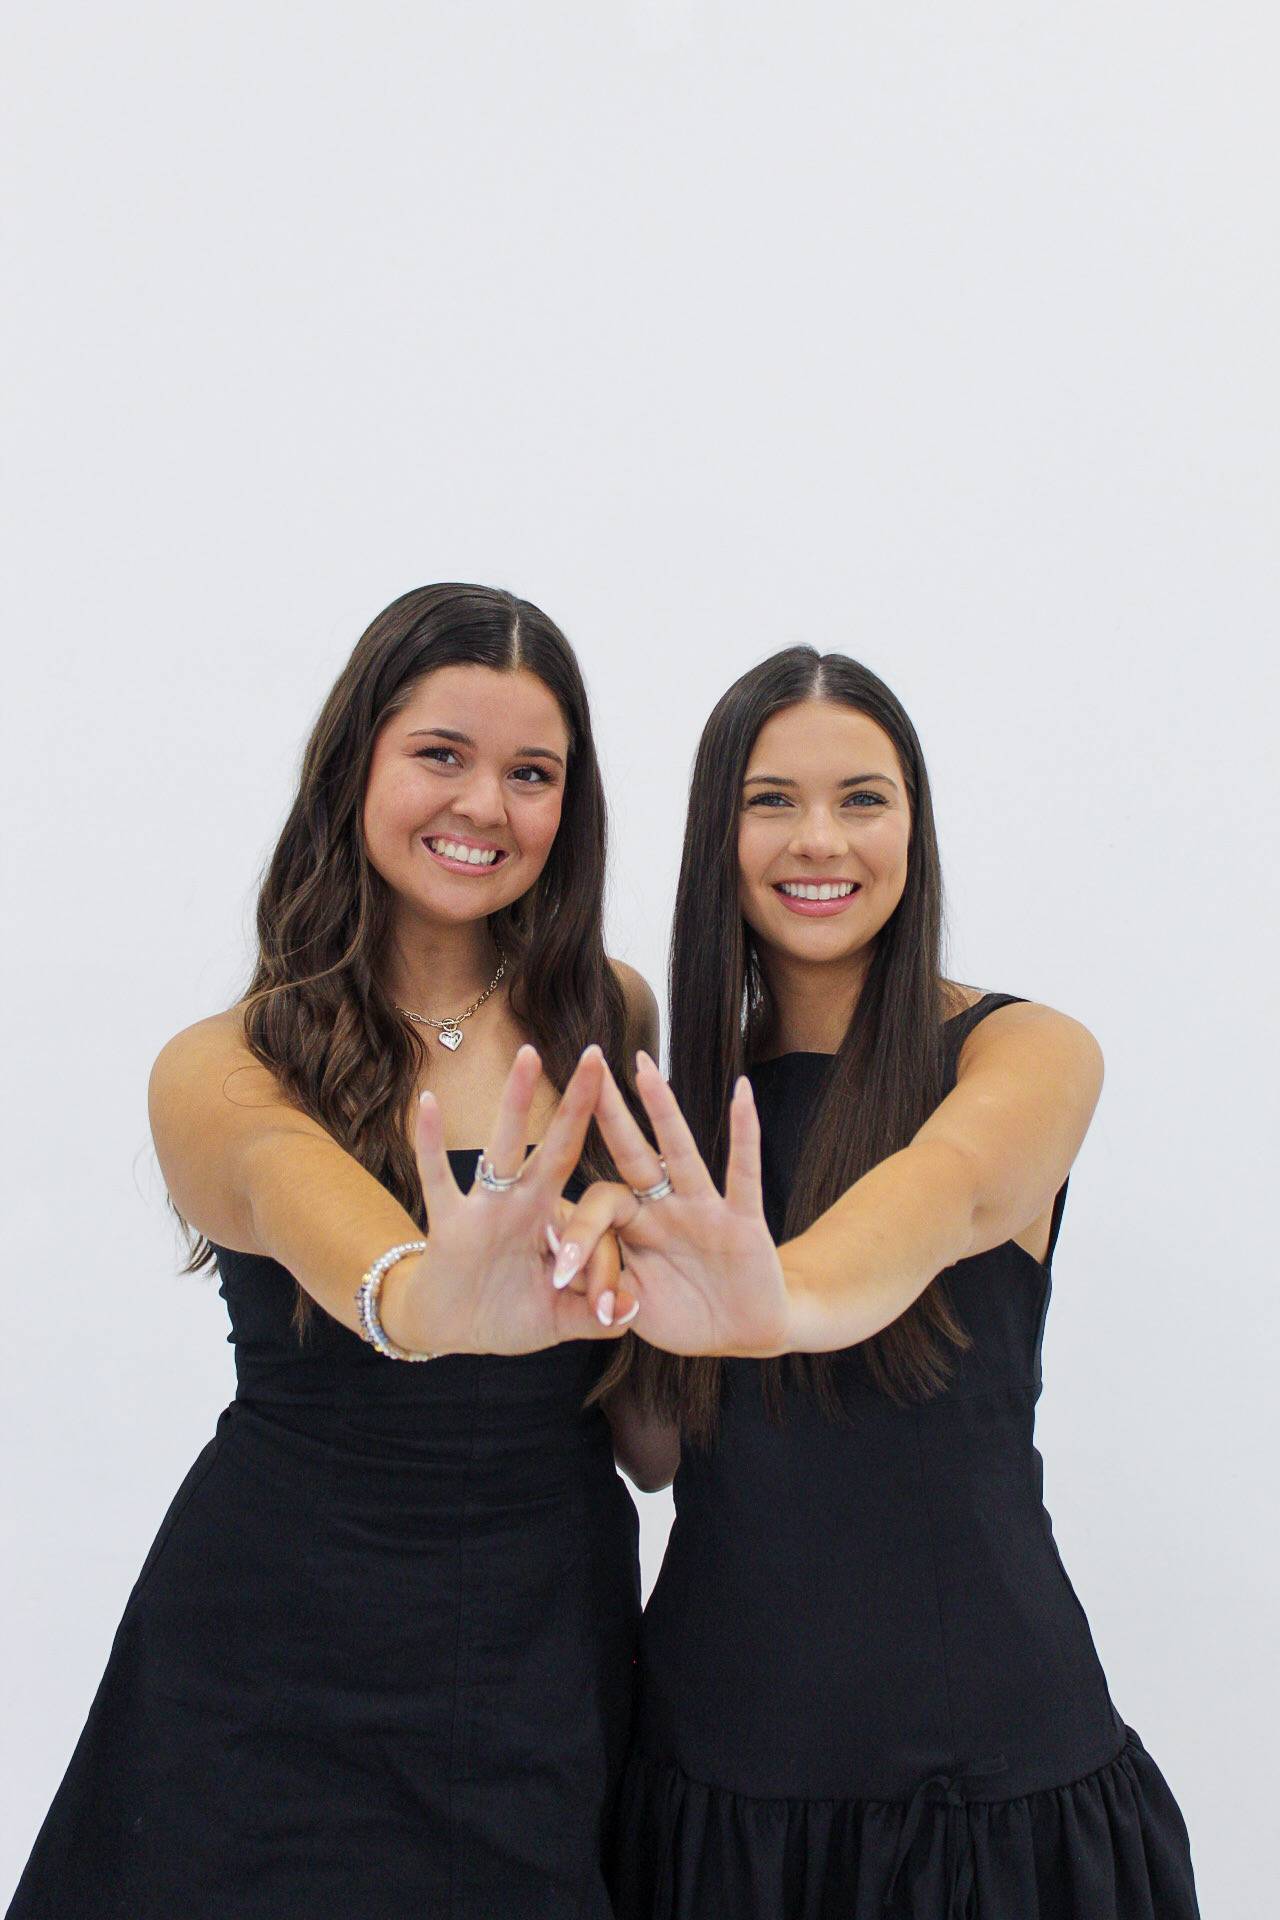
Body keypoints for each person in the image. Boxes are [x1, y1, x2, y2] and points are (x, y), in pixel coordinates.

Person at [8, 583, 660, 1920]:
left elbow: (649, 1421)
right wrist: (430, 1293)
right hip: (278, 1641)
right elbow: (308, 1203)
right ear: (355, 759)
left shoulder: (612, 1016)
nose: (484, 805)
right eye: (441, 756)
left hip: (544, 1635)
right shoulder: (225, 1064)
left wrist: (640, 1270)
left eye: (530, 774)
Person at [556, 648, 1201, 1918]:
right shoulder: (675, 1120)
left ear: (915, 824)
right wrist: (602, 1279)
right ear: (714, 836)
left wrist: (770, 1300)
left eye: (863, 797)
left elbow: (939, 1195)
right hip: (714, 1781)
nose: (820, 839)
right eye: (769, 799)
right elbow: (650, 1453)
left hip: (982, 1788)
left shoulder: (1016, 1053)